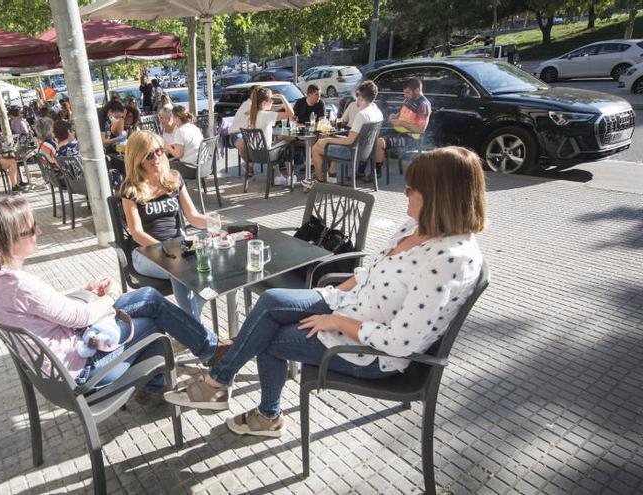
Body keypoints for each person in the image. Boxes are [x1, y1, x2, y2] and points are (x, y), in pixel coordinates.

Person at [164, 146, 487, 437]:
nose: (404, 194)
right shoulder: (416, 228)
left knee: (267, 338)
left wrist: (336, 322)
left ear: (439, 196)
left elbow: (403, 343)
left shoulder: (450, 259)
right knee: (271, 300)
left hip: (369, 352)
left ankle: (254, 407)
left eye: (411, 189)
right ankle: (223, 384)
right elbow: (368, 272)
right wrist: (327, 295)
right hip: (348, 304)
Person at [0, 195, 230, 404]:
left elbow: (41, 304)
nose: (38, 231)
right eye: (30, 229)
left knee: (149, 298)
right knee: (151, 324)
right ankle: (199, 358)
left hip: (63, 360)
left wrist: (86, 289)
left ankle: (185, 365)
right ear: (5, 240)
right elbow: (80, 316)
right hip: (83, 371)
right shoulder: (19, 285)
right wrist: (111, 296)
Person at [120, 130, 209, 320]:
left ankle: (191, 325)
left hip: (178, 245)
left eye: (159, 151)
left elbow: (193, 216)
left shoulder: (174, 179)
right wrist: (165, 249)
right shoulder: (131, 189)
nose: (156, 158)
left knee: (207, 259)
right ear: (137, 159)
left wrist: (219, 224)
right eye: (149, 155)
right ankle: (195, 328)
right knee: (179, 270)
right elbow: (136, 232)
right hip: (146, 251)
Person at [306, 80, 383, 188]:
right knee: (326, 139)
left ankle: (320, 180)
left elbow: (349, 141)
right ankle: (327, 175)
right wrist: (331, 137)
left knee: (317, 147)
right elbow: (352, 138)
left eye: (358, 96)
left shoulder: (362, 115)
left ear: (360, 97)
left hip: (353, 152)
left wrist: (328, 140)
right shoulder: (377, 111)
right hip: (367, 151)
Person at [373, 77, 431, 182]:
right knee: (372, 136)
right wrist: (394, 116)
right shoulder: (409, 99)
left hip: (410, 137)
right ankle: (361, 170)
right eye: (404, 93)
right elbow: (401, 114)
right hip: (397, 131)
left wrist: (400, 122)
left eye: (407, 93)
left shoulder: (423, 105)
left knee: (380, 142)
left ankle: (376, 173)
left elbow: (420, 129)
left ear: (417, 90)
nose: (405, 96)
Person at [245, 87, 295, 186]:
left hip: (253, 154)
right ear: (264, 102)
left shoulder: (252, 115)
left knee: (273, 143)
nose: (273, 102)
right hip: (266, 155)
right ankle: (290, 176)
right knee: (288, 142)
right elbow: (291, 113)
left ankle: (278, 176)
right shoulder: (266, 115)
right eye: (271, 100)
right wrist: (282, 97)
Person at [227, 85, 261, 173]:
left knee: (258, 141)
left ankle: (249, 166)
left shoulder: (256, 105)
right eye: (257, 92)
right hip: (235, 133)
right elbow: (259, 112)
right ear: (252, 94)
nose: (259, 94)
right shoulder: (248, 104)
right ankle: (249, 164)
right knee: (243, 143)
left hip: (247, 133)